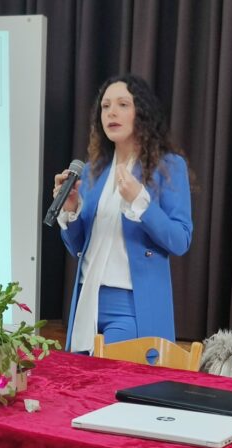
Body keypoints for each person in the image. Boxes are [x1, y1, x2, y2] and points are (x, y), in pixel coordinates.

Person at [54, 73, 193, 352]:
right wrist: (70, 211)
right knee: (79, 380)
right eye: (105, 106)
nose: (111, 112)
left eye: (122, 104)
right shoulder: (92, 171)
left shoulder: (169, 166)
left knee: (111, 377)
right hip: (87, 301)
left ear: (141, 113)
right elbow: (78, 247)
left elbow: (180, 240)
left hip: (133, 306)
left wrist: (141, 201)